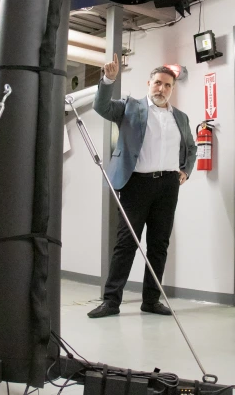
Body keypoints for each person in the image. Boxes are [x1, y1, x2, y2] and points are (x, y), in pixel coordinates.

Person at [88, 56, 196, 318]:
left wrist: (185, 170)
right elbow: (100, 106)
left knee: (158, 245)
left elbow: (190, 147)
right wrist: (108, 80)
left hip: (168, 186)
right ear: (149, 83)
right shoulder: (130, 107)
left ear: (173, 88)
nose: (162, 89)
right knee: (126, 243)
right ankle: (111, 302)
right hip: (136, 184)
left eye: (168, 85)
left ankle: (151, 300)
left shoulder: (180, 117)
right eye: (158, 83)